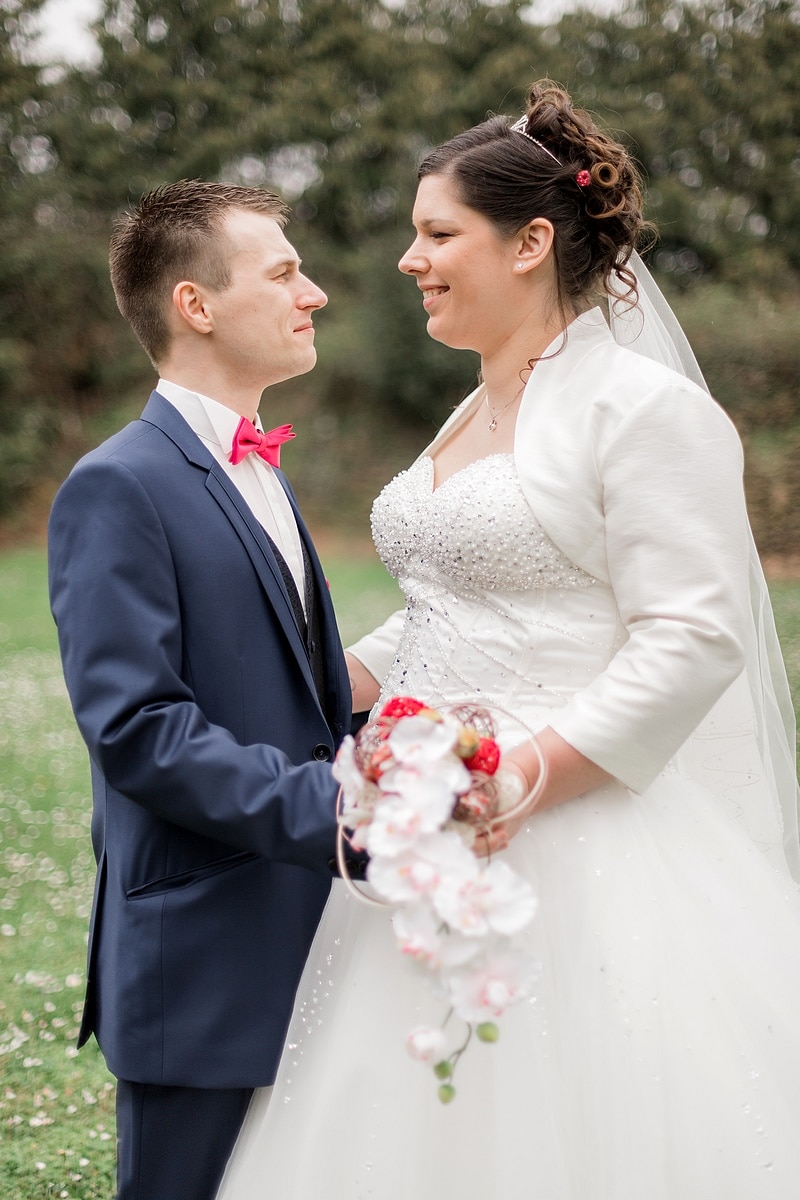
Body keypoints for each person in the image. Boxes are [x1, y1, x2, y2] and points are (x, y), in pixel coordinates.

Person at [215, 84, 800, 1198]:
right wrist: (315, 685)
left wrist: (511, 781)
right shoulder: (470, 406)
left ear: (531, 241)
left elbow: (690, 637)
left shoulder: (639, 409)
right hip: (414, 827)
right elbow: (447, 602)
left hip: (574, 834)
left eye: (437, 234)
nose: (406, 259)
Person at [47, 180, 364, 1200]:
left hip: (313, 941)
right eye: (282, 273)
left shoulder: (260, 472)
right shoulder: (118, 483)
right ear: (197, 304)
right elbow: (138, 729)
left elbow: (285, 687)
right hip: (202, 957)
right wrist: (337, 808)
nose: (311, 293)